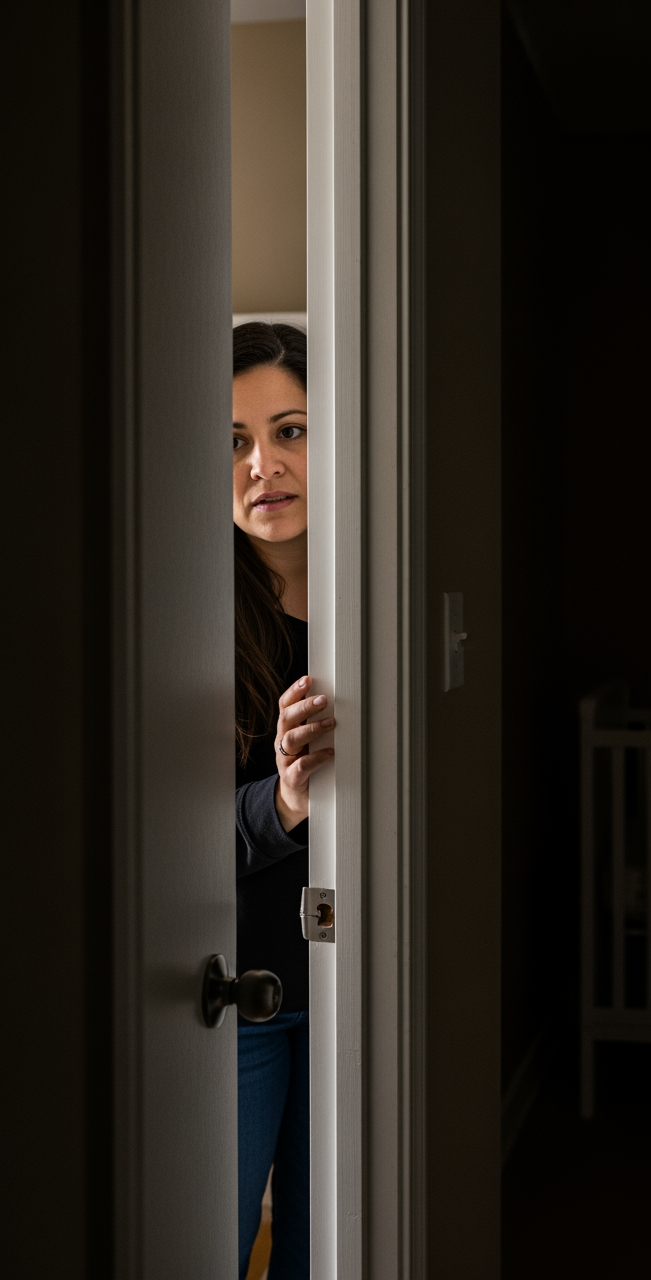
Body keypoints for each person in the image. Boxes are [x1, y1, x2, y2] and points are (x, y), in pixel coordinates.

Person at [232, 321, 334, 1279]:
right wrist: (286, 800)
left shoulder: (370, 611)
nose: (264, 464)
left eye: (290, 430)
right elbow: (162, 840)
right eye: (234, 441)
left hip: (354, 995)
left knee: (328, 1256)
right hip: (237, 998)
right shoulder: (182, 616)